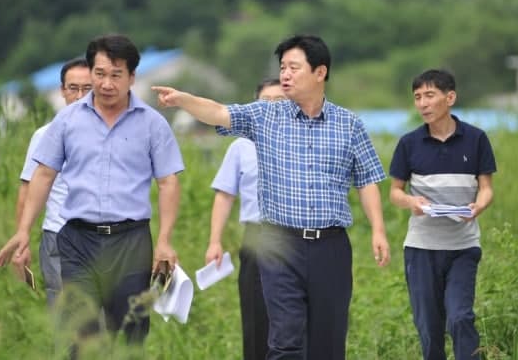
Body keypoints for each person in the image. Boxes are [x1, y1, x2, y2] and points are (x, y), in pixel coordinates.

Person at [153, 34, 391, 360]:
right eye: (282, 67)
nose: (286, 74)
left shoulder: (349, 125)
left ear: (320, 72)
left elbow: (367, 181)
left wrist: (378, 229)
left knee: (328, 342)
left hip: (331, 247)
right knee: (285, 340)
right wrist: (184, 100)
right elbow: (220, 112)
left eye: (294, 67)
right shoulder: (267, 116)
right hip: (279, 245)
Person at [0, 34, 184, 356]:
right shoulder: (66, 121)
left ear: (132, 78)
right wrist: (24, 230)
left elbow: (168, 183)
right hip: (77, 240)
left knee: (128, 330)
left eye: (116, 75)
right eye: (100, 74)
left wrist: (164, 240)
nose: (106, 83)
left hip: (130, 241)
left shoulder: (152, 124)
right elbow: (43, 174)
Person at [388, 69, 496, 360]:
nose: (422, 103)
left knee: (460, 317)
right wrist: (412, 201)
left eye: (429, 95)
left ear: (450, 98)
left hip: (463, 247)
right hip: (421, 249)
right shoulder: (409, 143)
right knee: (429, 329)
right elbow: (395, 192)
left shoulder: (476, 139)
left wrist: (479, 206)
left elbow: (486, 188)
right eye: (417, 97)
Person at [205, 77, 284, 360]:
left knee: (296, 316)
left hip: (296, 234)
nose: (274, 107)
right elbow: (225, 195)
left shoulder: (304, 140)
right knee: (256, 313)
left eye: (281, 100)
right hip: (257, 235)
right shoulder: (241, 146)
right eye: (267, 101)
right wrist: (215, 241)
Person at [12, 57, 92, 307]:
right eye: (73, 88)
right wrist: (20, 241)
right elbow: (27, 189)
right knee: (63, 315)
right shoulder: (44, 135)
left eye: (87, 89)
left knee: (99, 318)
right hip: (58, 235)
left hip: (100, 237)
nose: (80, 96)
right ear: (62, 91)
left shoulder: (109, 134)